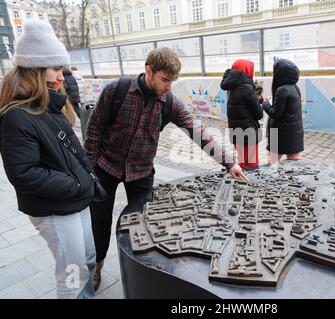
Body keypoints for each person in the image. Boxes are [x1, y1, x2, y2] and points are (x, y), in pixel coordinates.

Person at [84, 47, 248, 291]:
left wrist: (229, 162)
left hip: (140, 170)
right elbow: (95, 127)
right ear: (148, 71)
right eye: (165, 80)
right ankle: (97, 267)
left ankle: (143, 271)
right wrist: (90, 167)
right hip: (106, 166)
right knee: (99, 222)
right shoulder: (116, 90)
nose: (169, 86)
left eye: (173, 80)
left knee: (143, 221)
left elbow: (196, 130)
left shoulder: (169, 101)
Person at [0, 20, 96, 299]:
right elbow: (24, 173)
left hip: (75, 201)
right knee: (72, 275)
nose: (62, 77)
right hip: (54, 209)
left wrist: (83, 181)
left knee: (87, 261)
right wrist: (75, 184)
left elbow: (70, 151)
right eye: (56, 69)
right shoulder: (17, 115)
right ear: (36, 70)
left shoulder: (50, 104)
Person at [221, 59, 263, 168]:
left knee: (242, 161)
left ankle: (241, 182)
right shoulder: (247, 87)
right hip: (249, 132)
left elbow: (242, 106)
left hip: (236, 131)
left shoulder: (230, 86)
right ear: (247, 70)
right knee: (252, 163)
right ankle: (251, 183)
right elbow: (259, 114)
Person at [262, 59, 304, 164]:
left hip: (281, 133)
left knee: (272, 164)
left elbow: (276, 114)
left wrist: (266, 104)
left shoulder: (282, 90)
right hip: (295, 132)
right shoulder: (295, 87)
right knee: (294, 162)